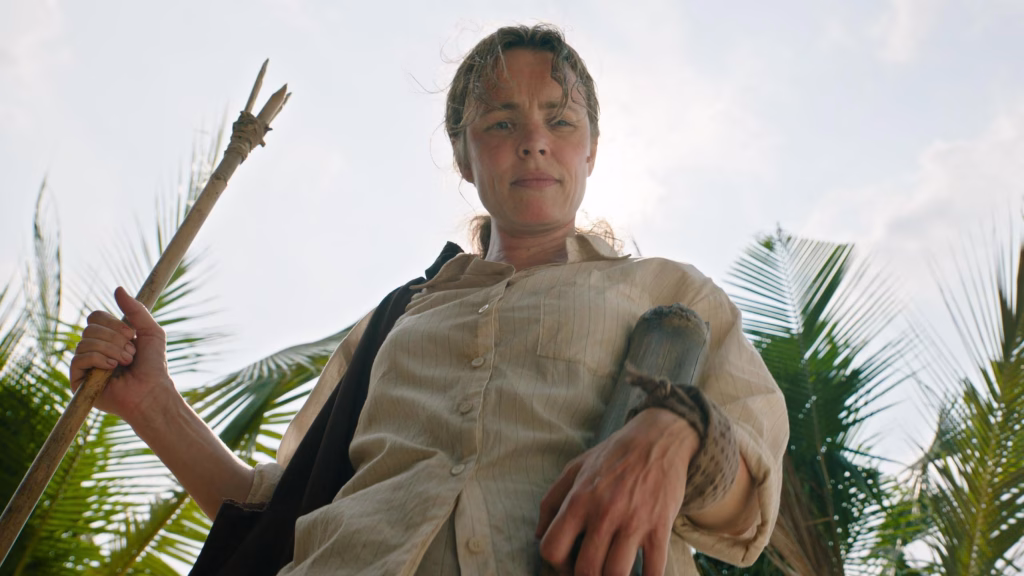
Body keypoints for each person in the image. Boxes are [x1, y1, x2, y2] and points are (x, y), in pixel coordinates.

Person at [71, 24, 788, 576]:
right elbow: (277, 506)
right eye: (501, 121)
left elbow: (744, 513)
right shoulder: (396, 319)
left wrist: (679, 432)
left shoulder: (669, 293)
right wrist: (151, 401)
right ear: (463, 154)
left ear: (591, 150)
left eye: (560, 121)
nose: (533, 141)